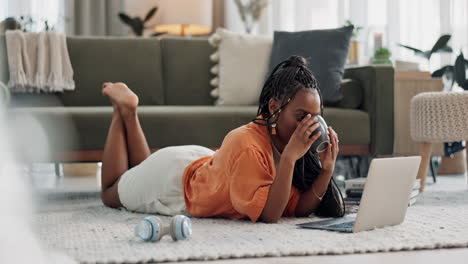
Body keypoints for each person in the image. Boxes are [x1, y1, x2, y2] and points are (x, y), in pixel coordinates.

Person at [100, 55, 344, 223]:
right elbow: (270, 215)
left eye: (315, 117)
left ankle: (129, 115)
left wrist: (326, 171)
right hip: (173, 184)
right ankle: (123, 110)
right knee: (110, 191)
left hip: (204, 164)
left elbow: (297, 209)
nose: (309, 125)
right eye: (301, 116)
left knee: (140, 171)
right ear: (273, 107)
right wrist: (290, 157)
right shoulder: (249, 146)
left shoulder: (284, 144)